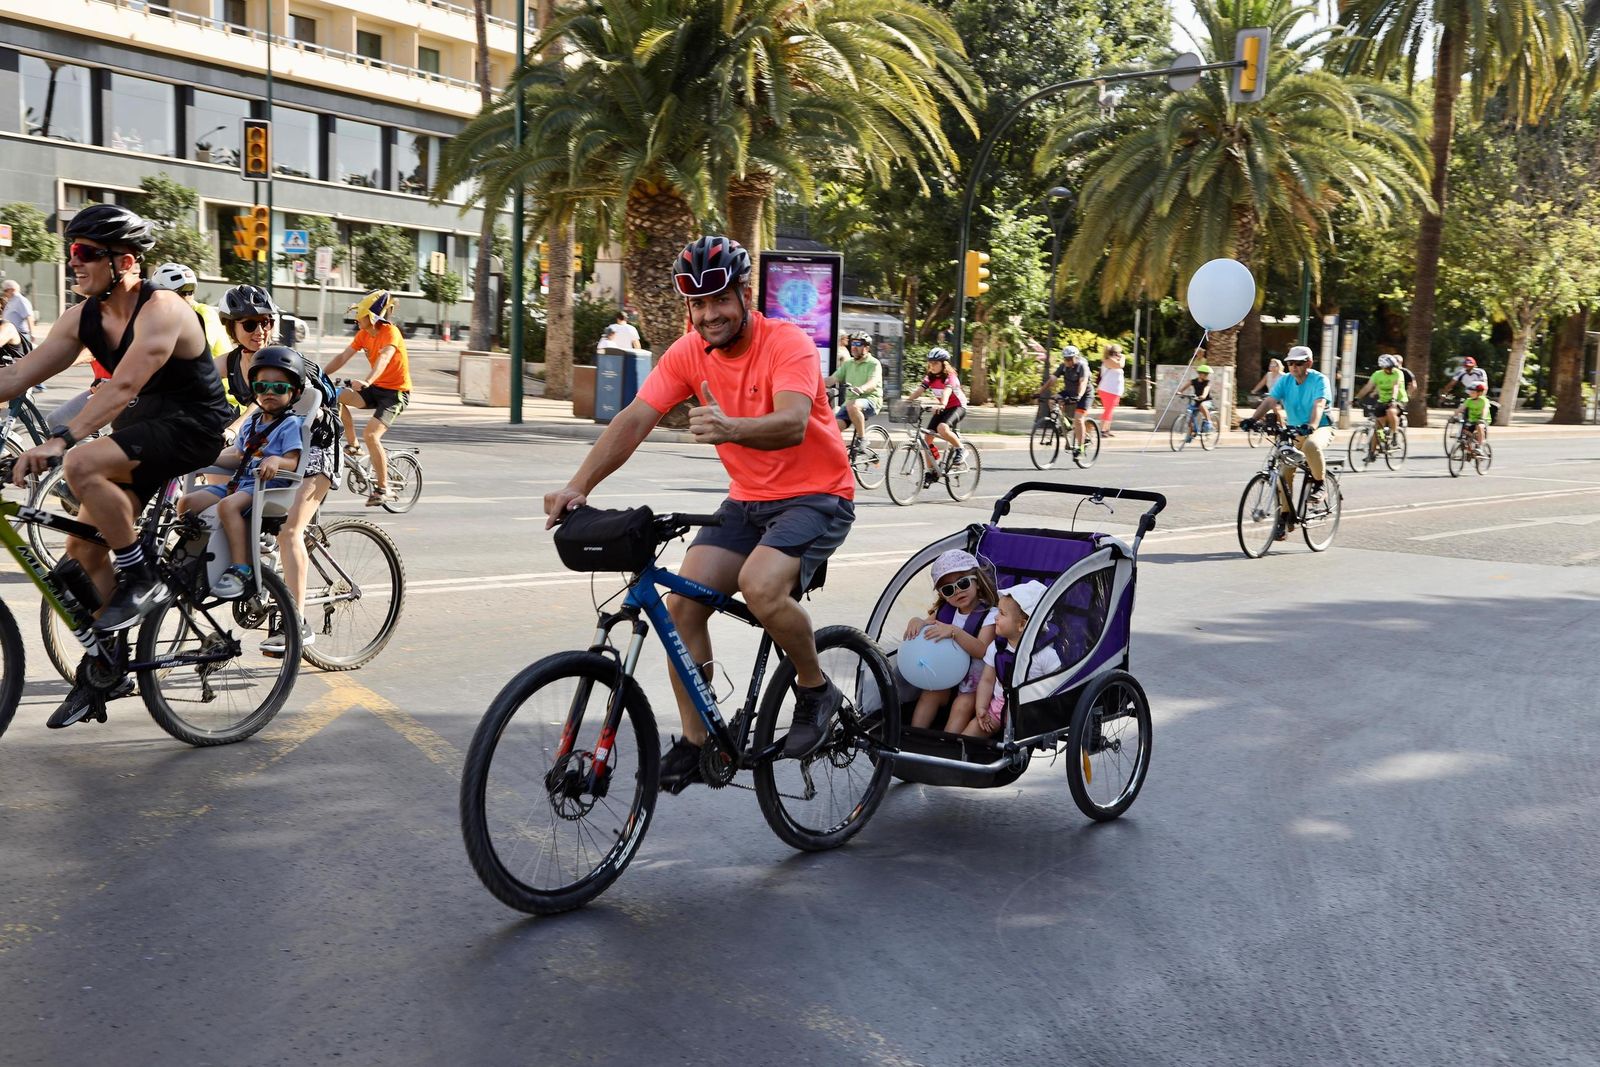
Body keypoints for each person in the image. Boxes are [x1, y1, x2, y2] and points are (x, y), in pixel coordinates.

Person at [543, 235, 855, 789]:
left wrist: (731, 428)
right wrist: (578, 486)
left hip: (817, 494)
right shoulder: (688, 351)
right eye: (698, 302)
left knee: (762, 588)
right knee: (682, 605)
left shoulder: (789, 344)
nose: (709, 314)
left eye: (720, 300)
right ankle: (697, 739)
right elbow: (635, 419)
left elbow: (791, 422)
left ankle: (815, 687)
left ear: (744, 294)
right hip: (748, 501)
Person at [0, 204, 233, 727]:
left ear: (125, 261)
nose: (73, 263)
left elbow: (124, 385)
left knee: (81, 464)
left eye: (84, 253)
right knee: (81, 552)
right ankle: (106, 665)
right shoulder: (84, 316)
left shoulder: (164, 308)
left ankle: (142, 575)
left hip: (193, 426)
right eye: (71, 253)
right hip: (143, 428)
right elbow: (17, 377)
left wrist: (61, 439)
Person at [176, 349, 303, 599]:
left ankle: (241, 567)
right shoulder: (254, 423)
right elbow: (237, 456)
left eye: (279, 387)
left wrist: (276, 460)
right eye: (262, 385)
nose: (269, 392)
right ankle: (198, 555)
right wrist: (203, 458)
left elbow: (294, 460)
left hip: (265, 487)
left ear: (294, 392)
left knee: (227, 507)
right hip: (240, 483)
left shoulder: (290, 424)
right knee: (186, 503)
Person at [323, 289, 412, 505]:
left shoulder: (391, 333)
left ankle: (384, 489)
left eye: (360, 315)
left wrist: (367, 381)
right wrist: (321, 376)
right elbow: (343, 356)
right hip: (375, 388)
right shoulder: (363, 334)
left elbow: (384, 358)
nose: (356, 319)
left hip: (396, 393)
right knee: (334, 397)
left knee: (372, 435)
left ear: (371, 316)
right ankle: (353, 445)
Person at [903, 549, 999, 733]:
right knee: (930, 695)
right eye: (948, 589)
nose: (957, 592)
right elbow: (926, 623)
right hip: (946, 677)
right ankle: (914, 737)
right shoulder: (946, 611)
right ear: (942, 595)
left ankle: (946, 746)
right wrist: (917, 622)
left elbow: (981, 650)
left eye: (963, 583)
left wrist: (954, 631)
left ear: (977, 582)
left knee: (962, 705)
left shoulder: (989, 615)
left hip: (975, 686)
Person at [1242, 345, 1334, 536]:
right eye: (1290, 363)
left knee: (1311, 445)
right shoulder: (1285, 381)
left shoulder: (1319, 380)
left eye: (1298, 363)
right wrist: (1252, 419)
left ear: (1309, 363)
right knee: (1283, 472)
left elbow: (1319, 404)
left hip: (1319, 426)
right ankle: (1285, 518)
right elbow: (1269, 401)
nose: (1293, 367)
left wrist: (1312, 425)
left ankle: (1319, 484)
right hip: (1294, 430)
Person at [968, 580, 1063, 737]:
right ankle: (956, 757)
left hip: (1031, 712)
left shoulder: (1045, 655)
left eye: (1002, 614)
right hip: (999, 708)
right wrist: (981, 708)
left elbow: (1057, 687)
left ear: (1022, 625)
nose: (995, 618)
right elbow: (987, 680)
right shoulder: (997, 648)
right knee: (972, 731)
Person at [216, 283, 279, 417]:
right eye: (249, 325)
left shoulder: (277, 360)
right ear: (232, 327)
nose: (260, 331)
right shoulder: (231, 362)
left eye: (265, 323)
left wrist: (233, 430)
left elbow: (261, 403)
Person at [149, 263, 229, 362]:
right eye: (182, 292)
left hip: (214, 375)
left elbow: (198, 349)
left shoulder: (204, 313)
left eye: (190, 291)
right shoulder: (160, 318)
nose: (188, 297)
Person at [903, 348, 967, 470]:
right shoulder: (930, 377)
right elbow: (919, 390)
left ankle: (961, 449)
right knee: (927, 438)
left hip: (957, 407)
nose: (932, 366)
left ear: (944, 364)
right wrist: (907, 402)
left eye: (935, 363)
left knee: (942, 428)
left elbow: (947, 392)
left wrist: (942, 404)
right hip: (942, 407)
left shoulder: (951, 377)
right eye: (930, 363)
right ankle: (931, 470)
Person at [828, 330, 883, 443]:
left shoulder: (874, 363)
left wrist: (862, 388)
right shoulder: (848, 364)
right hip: (850, 403)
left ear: (866, 348)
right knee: (831, 431)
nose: (854, 347)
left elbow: (873, 382)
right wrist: (813, 382)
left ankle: (862, 439)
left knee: (853, 405)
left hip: (871, 400)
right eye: (853, 343)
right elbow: (832, 379)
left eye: (858, 344)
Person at [1354, 353, 1408, 460]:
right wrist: (1357, 398)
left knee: (1391, 412)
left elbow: (1395, 387)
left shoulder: (1398, 373)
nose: (1390, 370)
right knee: (1377, 427)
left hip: (1398, 399)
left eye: (1392, 368)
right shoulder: (1377, 374)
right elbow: (1368, 387)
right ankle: (1372, 453)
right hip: (1383, 401)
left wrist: (1393, 399)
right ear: (1383, 368)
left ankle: (1395, 436)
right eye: (1388, 368)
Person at [1045, 345, 1093, 449]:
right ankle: (1061, 425)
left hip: (1085, 394)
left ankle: (1081, 448)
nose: (1067, 361)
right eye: (1065, 359)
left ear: (1076, 357)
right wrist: (1039, 392)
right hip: (1070, 392)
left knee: (1078, 419)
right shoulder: (1063, 366)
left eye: (1070, 359)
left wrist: (1079, 396)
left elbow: (1083, 383)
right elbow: (1052, 379)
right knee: (1052, 400)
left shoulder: (1082, 366)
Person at [1096, 343, 1125, 436]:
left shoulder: (1112, 360)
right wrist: (1123, 357)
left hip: (1113, 391)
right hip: (1108, 390)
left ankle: (1107, 429)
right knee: (1108, 410)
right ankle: (1102, 430)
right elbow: (1120, 365)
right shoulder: (1108, 361)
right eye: (1119, 353)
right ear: (1115, 353)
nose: (1120, 354)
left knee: (1110, 410)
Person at [1183, 363, 1216, 440]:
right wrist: (1180, 392)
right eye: (1205, 374)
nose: (1206, 376)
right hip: (1197, 401)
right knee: (1189, 415)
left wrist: (1203, 396)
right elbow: (1186, 386)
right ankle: (1191, 433)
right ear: (1200, 373)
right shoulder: (1193, 381)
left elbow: (1206, 389)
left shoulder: (1207, 382)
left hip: (1207, 401)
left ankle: (1209, 422)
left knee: (1202, 405)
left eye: (1207, 374)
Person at [2, 279, 36, 345]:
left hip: (19, 335)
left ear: (12, 289)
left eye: (5, 290)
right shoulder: (11, 301)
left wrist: (32, 333)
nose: (4, 293)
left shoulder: (20, 300)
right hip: (10, 335)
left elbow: (29, 316)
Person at [1460, 382, 1491, 449]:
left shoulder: (1484, 400)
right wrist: (1454, 416)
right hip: (1472, 420)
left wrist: (1482, 418)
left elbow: (1485, 409)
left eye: (1473, 393)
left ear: (1479, 393)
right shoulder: (1468, 400)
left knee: (1479, 426)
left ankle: (1480, 446)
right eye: (1470, 392)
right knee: (1464, 431)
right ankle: (1469, 450)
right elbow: (1461, 408)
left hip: (1483, 420)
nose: (1471, 394)